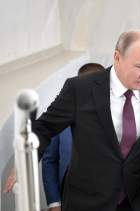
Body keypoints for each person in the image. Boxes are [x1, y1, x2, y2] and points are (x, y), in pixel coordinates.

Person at [5, 30, 140, 211]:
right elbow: (44, 127)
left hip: (137, 202)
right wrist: (24, 161)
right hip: (87, 201)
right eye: (139, 67)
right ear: (117, 57)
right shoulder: (80, 89)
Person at [42, 63, 105, 211]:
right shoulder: (60, 116)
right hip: (69, 199)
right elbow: (49, 161)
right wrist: (54, 202)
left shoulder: (120, 116)